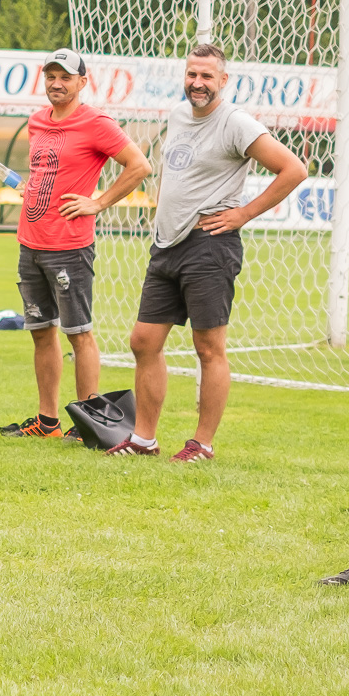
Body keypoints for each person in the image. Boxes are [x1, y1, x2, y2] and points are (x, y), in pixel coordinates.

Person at [106, 43, 307, 461]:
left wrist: (243, 214)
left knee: (208, 348)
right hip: (167, 245)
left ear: (223, 81)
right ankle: (144, 440)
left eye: (207, 77)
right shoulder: (179, 114)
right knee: (143, 341)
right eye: (192, 75)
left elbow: (294, 169)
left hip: (210, 246)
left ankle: (202, 444)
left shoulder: (236, 123)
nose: (198, 84)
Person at [4, 49, 152, 439]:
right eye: (51, 75)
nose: (56, 83)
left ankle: (91, 423)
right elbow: (48, 171)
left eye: (65, 77)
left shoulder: (97, 123)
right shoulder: (37, 121)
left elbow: (139, 166)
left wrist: (98, 202)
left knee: (78, 333)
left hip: (69, 246)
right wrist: (32, 191)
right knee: (41, 331)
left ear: (82, 82)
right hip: (30, 243)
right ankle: (48, 421)